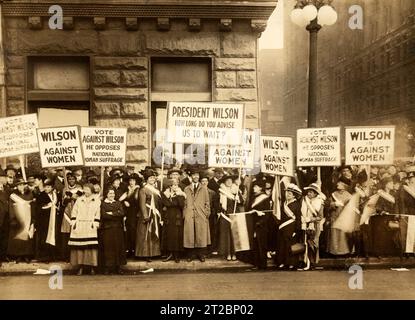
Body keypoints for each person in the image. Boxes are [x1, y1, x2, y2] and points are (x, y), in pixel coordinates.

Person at [68, 183, 101, 275]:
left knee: (90, 248)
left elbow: (98, 213)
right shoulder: (79, 200)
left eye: (87, 189)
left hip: (90, 225)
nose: (86, 191)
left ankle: (91, 267)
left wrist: (96, 222)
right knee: (80, 247)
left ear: (91, 190)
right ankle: (80, 267)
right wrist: (74, 222)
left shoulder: (97, 200)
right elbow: (74, 211)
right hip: (80, 225)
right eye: (84, 189)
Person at [183, 168, 211, 262]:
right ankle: (190, 255)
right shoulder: (186, 189)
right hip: (189, 214)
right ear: (191, 177)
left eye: (197, 175)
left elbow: (207, 203)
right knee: (190, 235)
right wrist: (185, 213)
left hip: (201, 214)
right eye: (194, 175)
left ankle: (201, 255)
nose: (196, 177)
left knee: (200, 234)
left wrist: (206, 213)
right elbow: (184, 203)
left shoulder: (203, 188)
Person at [135, 169, 162, 261]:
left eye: (153, 178)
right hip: (146, 213)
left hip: (155, 213)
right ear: (146, 179)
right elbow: (142, 204)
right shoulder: (143, 190)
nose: (152, 179)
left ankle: (154, 253)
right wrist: (146, 216)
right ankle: (145, 254)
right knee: (145, 233)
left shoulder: (156, 190)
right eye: (150, 178)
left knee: (154, 232)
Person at [275, 183, 302, 271]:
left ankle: (291, 263)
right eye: (287, 193)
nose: (287, 195)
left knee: (290, 246)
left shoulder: (297, 205)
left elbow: (298, 218)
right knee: (282, 245)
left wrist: (297, 230)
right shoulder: (283, 204)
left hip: (291, 228)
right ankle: (282, 262)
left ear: (294, 195)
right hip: (283, 227)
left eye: (290, 194)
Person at [7, 178, 35, 263]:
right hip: (17, 219)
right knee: (18, 238)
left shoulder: (30, 195)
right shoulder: (13, 196)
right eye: (19, 185)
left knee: (26, 237)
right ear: (16, 186)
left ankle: (26, 255)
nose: (21, 186)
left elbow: (32, 207)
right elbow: (11, 208)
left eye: (23, 184)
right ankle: (18, 255)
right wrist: (13, 219)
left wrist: (33, 219)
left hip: (27, 218)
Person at [100, 188, 126, 274]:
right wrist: (116, 213)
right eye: (110, 193)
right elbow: (104, 216)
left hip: (117, 228)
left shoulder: (118, 203)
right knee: (108, 248)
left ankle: (118, 267)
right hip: (108, 229)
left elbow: (122, 213)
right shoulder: (103, 204)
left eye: (113, 193)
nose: (112, 195)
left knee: (118, 247)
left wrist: (111, 213)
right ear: (106, 194)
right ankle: (108, 267)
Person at [300, 183, 325, 269]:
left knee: (313, 243)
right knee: (305, 243)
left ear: (315, 193)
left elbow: (320, 217)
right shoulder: (304, 200)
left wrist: (310, 219)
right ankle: (305, 261)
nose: (309, 194)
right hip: (304, 224)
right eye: (308, 192)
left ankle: (313, 263)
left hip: (314, 225)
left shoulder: (320, 202)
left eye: (311, 192)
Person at [161, 178, 186, 263]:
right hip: (168, 217)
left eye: (176, 185)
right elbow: (165, 203)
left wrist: (176, 196)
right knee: (169, 236)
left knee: (177, 236)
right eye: (173, 185)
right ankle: (169, 254)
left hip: (177, 217)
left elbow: (181, 204)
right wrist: (172, 200)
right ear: (170, 186)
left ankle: (177, 255)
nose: (175, 186)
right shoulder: (165, 193)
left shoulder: (181, 194)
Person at [217, 174, 242, 261]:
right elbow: (218, 204)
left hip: (234, 214)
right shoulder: (221, 191)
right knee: (226, 235)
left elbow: (242, 202)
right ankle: (227, 253)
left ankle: (234, 253)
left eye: (230, 181)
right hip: (225, 215)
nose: (229, 182)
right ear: (224, 182)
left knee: (234, 235)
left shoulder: (236, 190)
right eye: (227, 181)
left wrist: (238, 198)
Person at [327, 177, 353, 256]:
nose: (337, 184)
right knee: (334, 234)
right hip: (334, 216)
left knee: (342, 235)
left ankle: (343, 252)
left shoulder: (349, 195)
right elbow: (328, 205)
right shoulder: (333, 194)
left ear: (344, 185)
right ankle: (334, 252)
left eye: (340, 183)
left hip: (343, 217)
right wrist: (333, 204)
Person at [250, 179, 272, 270]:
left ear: (260, 188)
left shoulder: (265, 198)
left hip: (262, 225)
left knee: (262, 245)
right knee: (255, 244)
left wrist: (260, 222)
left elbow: (267, 214)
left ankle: (263, 264)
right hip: (253, 223)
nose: (254, 188)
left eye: (255, 187)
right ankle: (256, 263)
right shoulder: (253, 197)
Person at [35, 179, 58, 262]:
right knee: (44, 237)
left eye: (49, 187)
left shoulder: (55, 195)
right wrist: (46, 206)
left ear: (52, 187)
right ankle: (45, 257)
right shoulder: (41, 195)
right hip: (44, 220)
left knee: (53, 236)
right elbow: (38, 208)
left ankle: (53, 255)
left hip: (54, 219)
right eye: (45, 187)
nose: (47, 189)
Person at [200, 174, 220, 255]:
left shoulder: (212, 193)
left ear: (208, 182)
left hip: (210, 215)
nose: (204, 183)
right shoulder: (198, 192)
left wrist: (213, 213)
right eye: (202, 181)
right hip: (200, 214)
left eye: (206, 181)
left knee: (210, 231)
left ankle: (209, 249)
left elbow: (215, 205)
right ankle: (202, 248)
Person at [123, 173, 141, 258]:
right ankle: (129, 249)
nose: (131, 182)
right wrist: (124, 202)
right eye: (130, 180)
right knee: (128, 231)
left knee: (134, 231)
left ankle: (134, 250)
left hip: (135, 212)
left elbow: (137, 201)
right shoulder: (128, 190)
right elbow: (121, 199)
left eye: (133, 180)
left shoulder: (138, 189)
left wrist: (129, 201)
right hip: (128, 213)